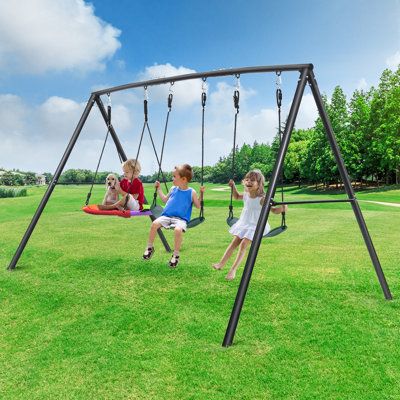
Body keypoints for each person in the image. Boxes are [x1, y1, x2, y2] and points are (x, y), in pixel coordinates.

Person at [212, 169, 287, 281]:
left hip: (257, 226)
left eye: (253, 180)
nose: (249, 182)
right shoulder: (247, 194)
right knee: (234, 242)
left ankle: (233, 270)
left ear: (259, 184)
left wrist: (283, 208)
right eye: (247, 179)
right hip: (244, 223)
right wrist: (233, 187)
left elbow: (274, 210)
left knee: (243, 245)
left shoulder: (262, 198)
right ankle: (221, 264)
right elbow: (236, 197)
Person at [143, 163, 205, 268]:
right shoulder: (173, 189)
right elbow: (164, 199)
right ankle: (150, 248)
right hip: (166, 216)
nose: (172, 178)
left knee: (177, 230)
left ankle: (175, 255)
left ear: (184, 179)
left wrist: (201, 194)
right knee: (154, 224)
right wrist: (158, 189)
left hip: (180, 219)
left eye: (174, 177)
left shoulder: (191, 192)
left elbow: (198, 206)